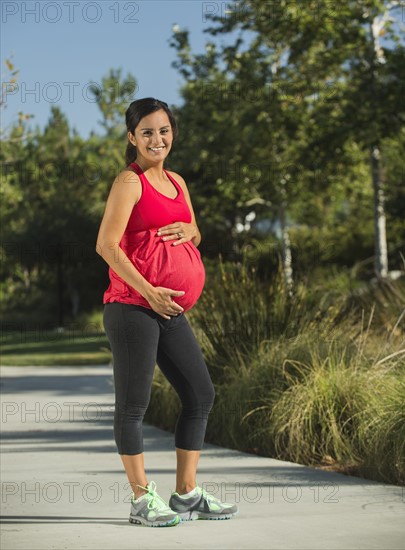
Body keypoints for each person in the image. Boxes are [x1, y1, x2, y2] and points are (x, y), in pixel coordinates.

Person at [96, 98, 238, 527]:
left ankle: (187, 494)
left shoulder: (177, 181)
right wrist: (149, 291)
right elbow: (106, 245)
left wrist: (193, 230)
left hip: (168, 310)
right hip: (132, 307)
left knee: (200, 394)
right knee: (134, 405)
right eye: (147, 133)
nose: (157, 140)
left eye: (164, 131)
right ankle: (141, 501)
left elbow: (192, 230)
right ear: (131, 138)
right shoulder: (129, 182)